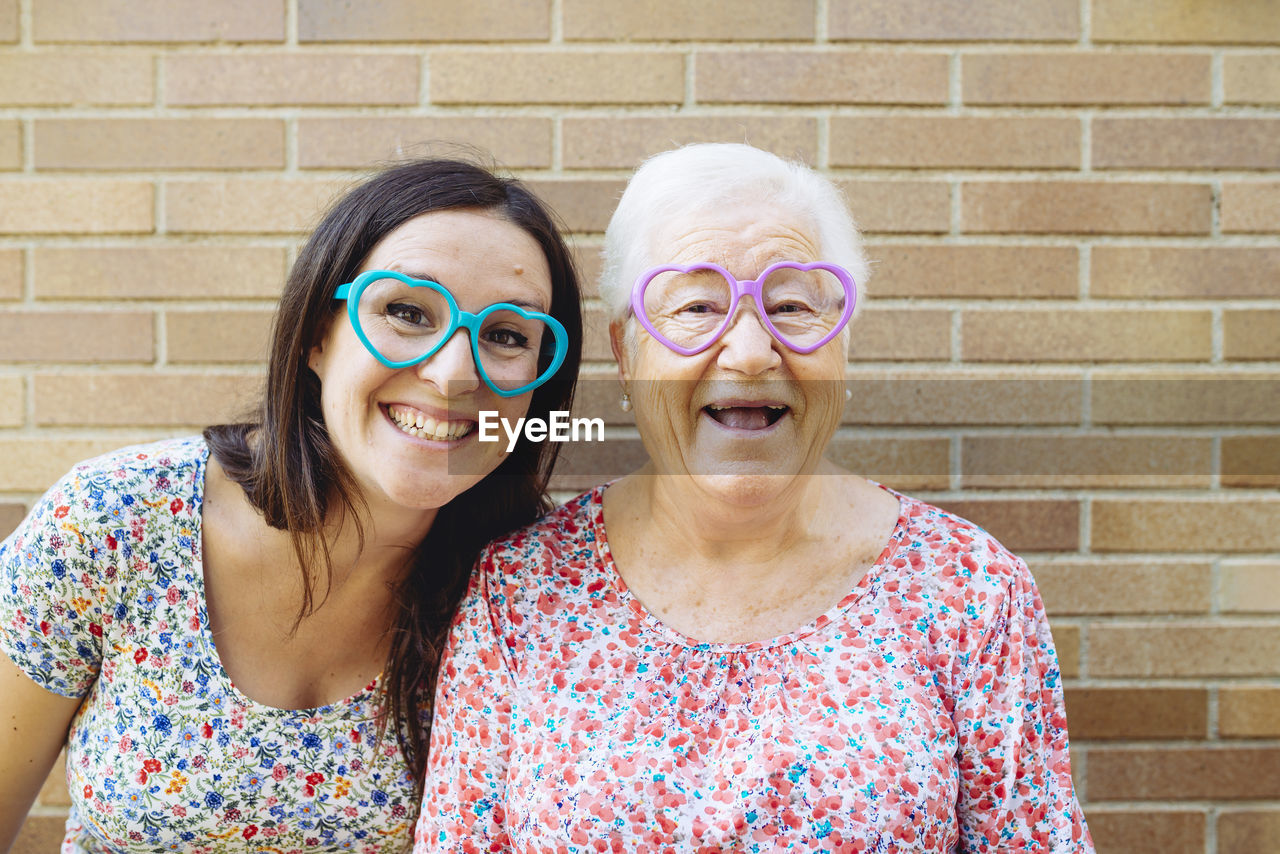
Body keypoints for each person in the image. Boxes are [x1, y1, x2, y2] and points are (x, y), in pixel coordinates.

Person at [415, 144, 1093, 853]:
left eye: (792, 305)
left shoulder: (969, 591)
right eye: (697, 305)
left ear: (844, 345)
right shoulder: (520, 591)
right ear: (625, 353)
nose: (748, 352)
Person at [0, 157, 583, 853]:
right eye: (406, 312)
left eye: (508, 335)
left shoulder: (535, 592)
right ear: (316, 334)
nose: (454, 373)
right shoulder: (115, 520)